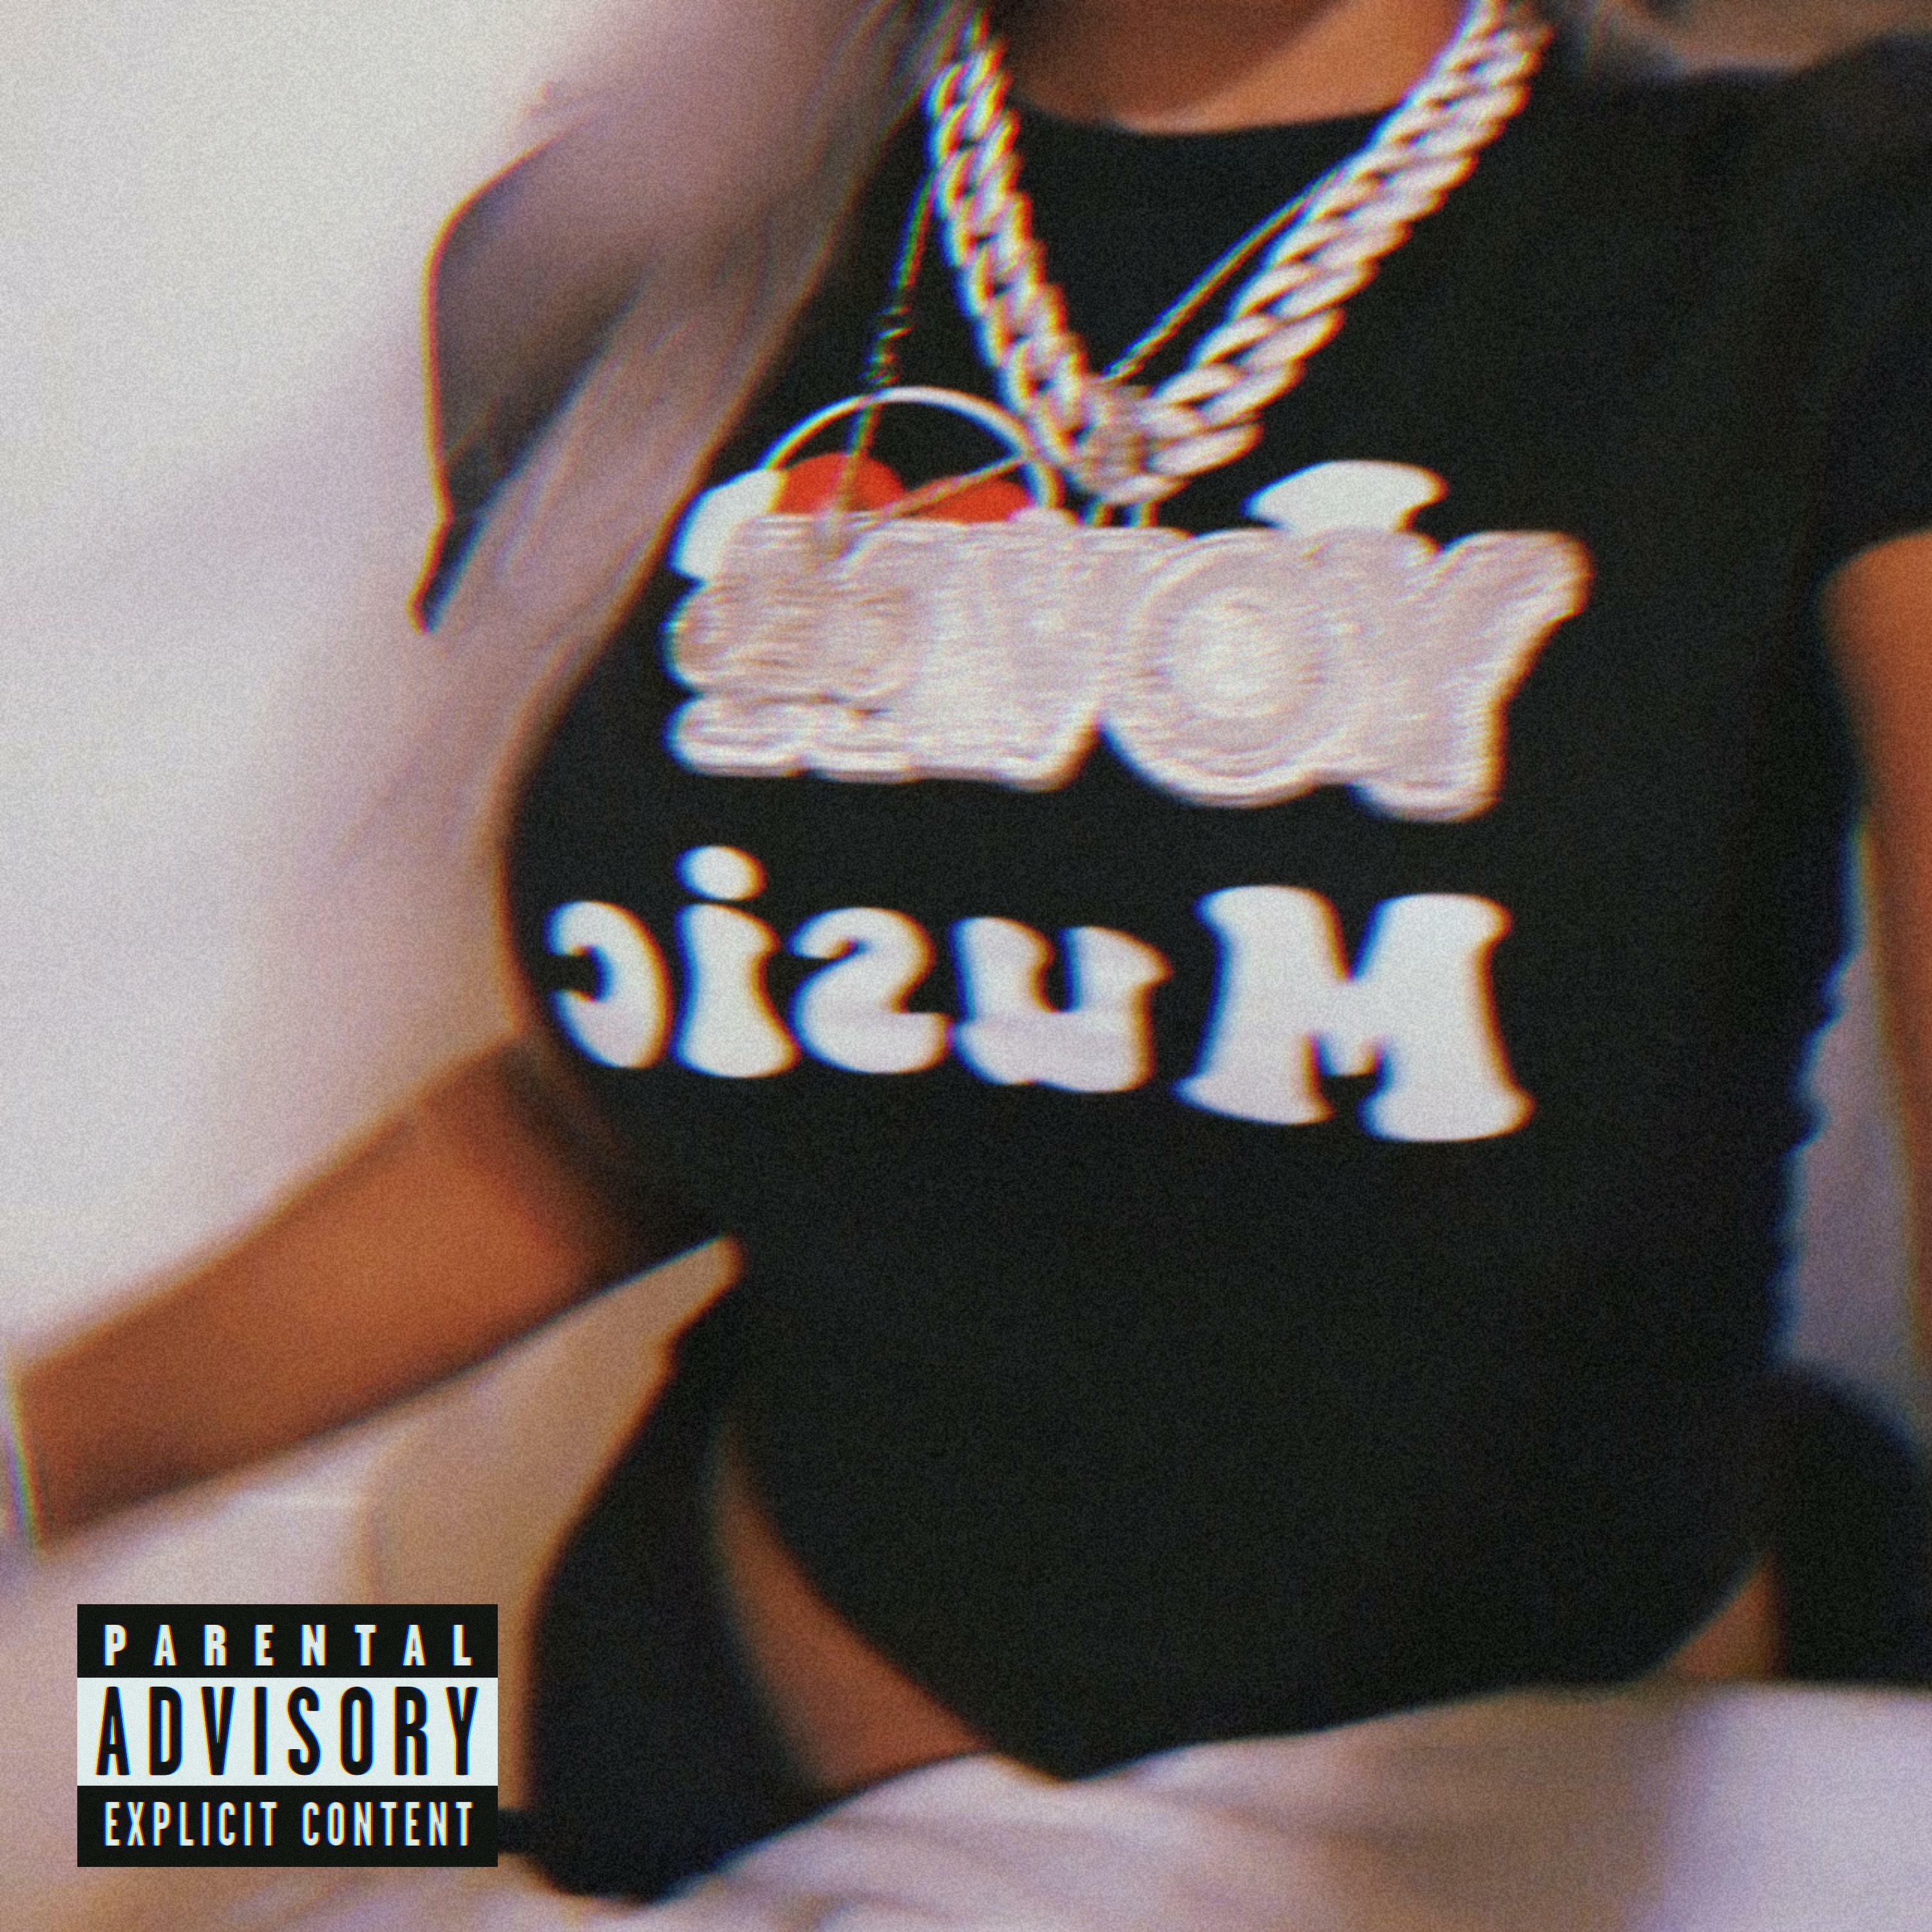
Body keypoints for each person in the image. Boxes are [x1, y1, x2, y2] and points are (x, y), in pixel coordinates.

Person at [6, 0, 1932, 1902]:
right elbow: (630, 1103)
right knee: (72, 1779)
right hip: (629, 1731)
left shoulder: (1825, 227)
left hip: (1486, 1796)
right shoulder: (625, 254)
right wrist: (32, 1459)